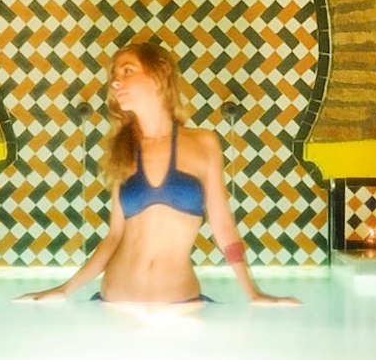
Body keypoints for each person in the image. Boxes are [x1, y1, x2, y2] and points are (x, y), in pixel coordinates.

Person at [24, 33, 292, 307]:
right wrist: (65, 289)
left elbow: (223, 226)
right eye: (114, 75)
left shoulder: (204, 143)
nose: (116, 81)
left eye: (127, 71)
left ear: (158, 76)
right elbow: (114, 237)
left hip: (181, 304)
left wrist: (253, 292)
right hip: (114, 303)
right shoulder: (123, 150)